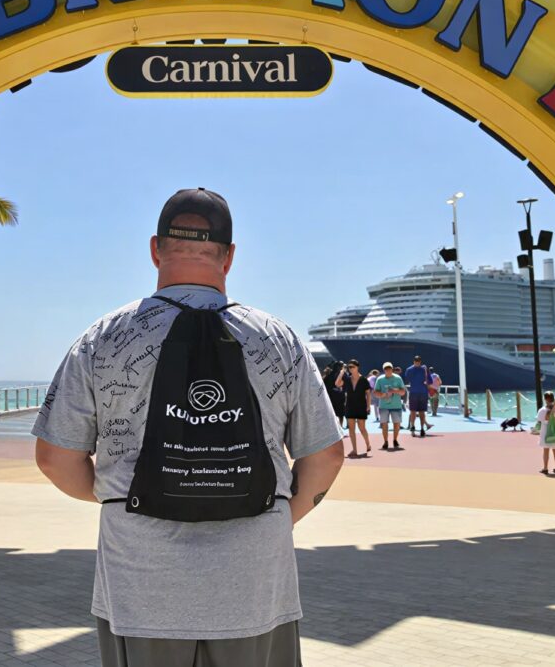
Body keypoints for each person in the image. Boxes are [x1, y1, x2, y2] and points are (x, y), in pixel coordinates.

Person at [31, 188, 344, 667]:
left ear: (155, 249)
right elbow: (326, 455)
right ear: (229, 256)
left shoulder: (102, 338)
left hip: (140, 584)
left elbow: (55, 458)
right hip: (256, 581)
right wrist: (276, 516)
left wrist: (123, 498)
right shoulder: (279, 340)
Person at [335, 359, 372, 458]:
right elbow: (337, 384)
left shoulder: (364, 380)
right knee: (351, 429)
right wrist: (342, 372)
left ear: (357, 367)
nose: (350, 369)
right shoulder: (347, 379)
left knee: (362, 428)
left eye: (352, 367)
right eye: (349, 367)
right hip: (350, 406)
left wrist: (368, 406)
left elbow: (368, 394)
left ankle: (368, 444)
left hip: (361, 406)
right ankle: (354, 450)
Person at [373, 362, 405, 450]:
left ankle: (395, 440)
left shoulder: (398, 378)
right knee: (384, 425)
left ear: (392, 369)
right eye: (386, 369)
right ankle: (385, 441)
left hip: (396, 406)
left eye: (389, 368)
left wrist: (393, 391)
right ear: (384, 370)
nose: (388, 370)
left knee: (397, 424)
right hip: (384, 406)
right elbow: (375, 392)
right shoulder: (380, 379)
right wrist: (382, 395)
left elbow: (403, 392)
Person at [403, 355, 432, 437]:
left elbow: (407, 379)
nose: (417, 362)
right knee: (415, 411)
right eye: (416, 361)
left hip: (417, 393)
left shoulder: (410, 369)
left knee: (418, 412)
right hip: (419, 393)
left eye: (418, 361)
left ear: (420, 361)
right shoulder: (423, 369)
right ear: (414, 361)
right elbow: (430, 381)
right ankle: (415, 427)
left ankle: (420, 428)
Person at [536, 391, 555, 474]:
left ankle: (545, 468)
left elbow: (539, 422)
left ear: (545, 399)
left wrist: (535, 430)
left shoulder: (542, 410)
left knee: (546, 450)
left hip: (545, 432)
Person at [323, 364, 347, 430]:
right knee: (340, 413)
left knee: (331, 413)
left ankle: (332, 427)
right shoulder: (342, 375)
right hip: (339, 397)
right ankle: (340, 427)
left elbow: (324, 386)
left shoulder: (328, 376)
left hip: (331, 397)